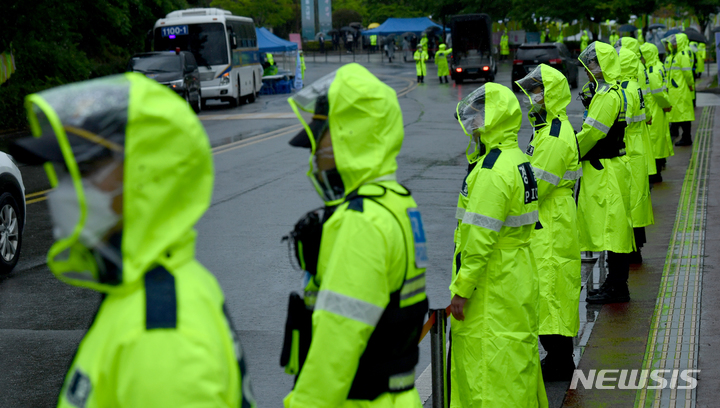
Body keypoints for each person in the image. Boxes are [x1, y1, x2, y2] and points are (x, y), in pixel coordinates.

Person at [10, 73, 256, 407]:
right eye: (64, 171)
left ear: (145, 178)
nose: (63, 191)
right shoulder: (142, 286)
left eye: (82, 170)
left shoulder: (162, 337)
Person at [281, 63, 428, 408]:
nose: (315, 155)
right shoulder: (397, 201)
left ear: (350, 134)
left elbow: (337, 343)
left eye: (320, 140)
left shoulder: (360, 221)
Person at [449, 83, 547, 407]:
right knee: (515, 358)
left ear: (495, 120)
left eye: (479, 116)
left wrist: (462, 289)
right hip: (515, 274)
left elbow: (479, 238)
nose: (474, 123)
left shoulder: (492, 170)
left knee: (488, 369)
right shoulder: (516, 158)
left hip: (492, 281)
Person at [516, 65, 582, 382]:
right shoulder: (546, 130)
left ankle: (559, 361)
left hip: (551, 218)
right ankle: (556, 357)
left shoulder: (554, 135)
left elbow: (537, 187)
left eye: (539, 90)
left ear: (551, 94)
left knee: (552, 289)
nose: (533, 97)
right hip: (550, 217)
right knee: (549, 287)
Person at [576, 42, 635, 304]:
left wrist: (569, 150)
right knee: (614, 229)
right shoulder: (607, 93)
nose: (590, 68)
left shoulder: (607, 95)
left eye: (595, 63)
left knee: (613, 230)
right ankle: (614, 283)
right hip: (610, 167)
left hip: (607, 169)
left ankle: (617, 288)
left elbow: (591, 133)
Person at [615, 43, 654, 264]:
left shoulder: (624, 90)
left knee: (628, 202)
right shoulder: (634, 85)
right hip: (637, 147)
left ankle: (633, 251)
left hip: (628, 148)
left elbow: (621, 122)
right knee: (637, 201)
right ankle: (636, 247)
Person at [641, 42, 674, 183]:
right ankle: (658, 171)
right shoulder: (658, 66)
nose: (641, 58)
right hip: (658, 109)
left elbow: (657, 93)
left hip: (654, 109)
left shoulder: (652, 71)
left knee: (654, 142)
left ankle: (656, 174)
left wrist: (666, 104)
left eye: (642, 55)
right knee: (659, 140)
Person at [663, 34, 695, 146]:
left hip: (680, 90)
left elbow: (688, 74)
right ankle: (685, 137)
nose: (672, 44)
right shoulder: (675, 56)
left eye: (674, 42)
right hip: (677, 91)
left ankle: (686, 138)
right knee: (681, 115)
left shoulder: (682, 55)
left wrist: (691, 85)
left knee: (684, 116)